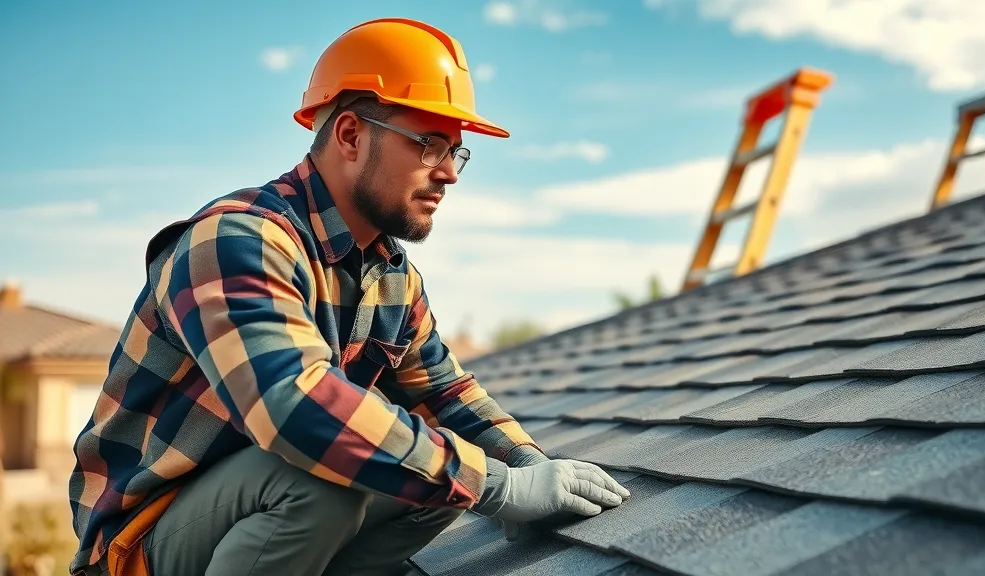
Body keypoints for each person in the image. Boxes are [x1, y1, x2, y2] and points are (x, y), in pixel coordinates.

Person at [67, 17, 629, 576]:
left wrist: (534, 470)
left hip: (258, 523)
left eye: (455, 152)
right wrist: (502, 487)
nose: (449, 174)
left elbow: (448, 396)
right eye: (430, 144)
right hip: (144, 542)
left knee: (429, 479)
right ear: (352, 135)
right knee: (325, 482)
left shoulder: (390, 275)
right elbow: (293, 406)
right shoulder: (236, 241)